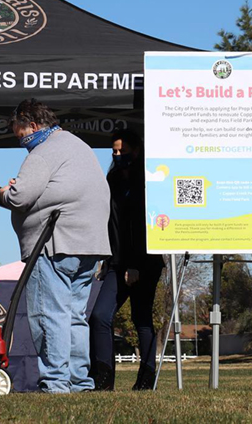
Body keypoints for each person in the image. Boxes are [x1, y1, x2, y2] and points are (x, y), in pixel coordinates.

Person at [0, 99, 111, 394]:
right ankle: (79, 382)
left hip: (52, 244)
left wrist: (3, 193)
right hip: (89, 244)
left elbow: (20, 197)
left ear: (32, 125)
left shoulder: (44, 151)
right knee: (74, 316)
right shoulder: (77, 145)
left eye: (19, 133)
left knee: (49, 314)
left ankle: (56, 383)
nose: (20, 139)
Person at [89, 129, 164, 391]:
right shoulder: (112, 179)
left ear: (137, 150)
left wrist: (135, 264)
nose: (117, 155)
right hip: (117, 262)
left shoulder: (146, 181)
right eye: (114, 151)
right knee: (99, 316)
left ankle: (146, 380)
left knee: (141, 318)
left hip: (144, 261)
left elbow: (140, 228)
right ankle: (103, 378)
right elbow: (112, 225)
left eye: (122, 150)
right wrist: (107, 260)